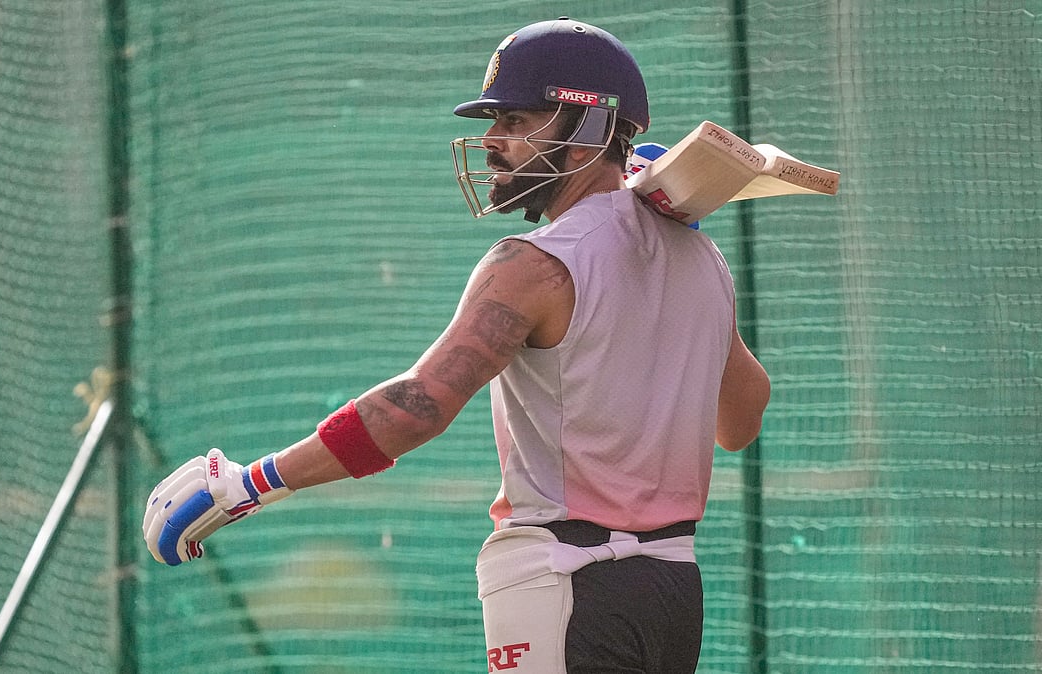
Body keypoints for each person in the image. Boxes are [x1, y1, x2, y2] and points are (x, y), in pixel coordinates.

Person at [143, 17, 770, 673]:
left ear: (586, 136)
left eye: (517, 121)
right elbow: (740, 420)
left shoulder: (531, 265)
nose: (493, 143)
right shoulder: (702, 258)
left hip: (568, 579)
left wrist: (250, 484)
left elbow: (415, 409)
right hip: (671, 592)